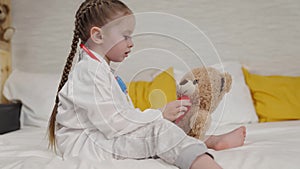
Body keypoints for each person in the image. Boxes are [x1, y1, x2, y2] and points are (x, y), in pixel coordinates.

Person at [48, 0, 245, 169]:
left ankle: (209, 140)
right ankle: (205, 162)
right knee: (158, 130)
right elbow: (113, 124)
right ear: (98, 36)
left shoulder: (98, 69)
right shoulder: (89, 71)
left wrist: (156, 117)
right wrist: (159, 113)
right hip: (88, 145)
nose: (131, 43)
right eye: (125, 36)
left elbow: (119, 117)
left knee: (160, 126)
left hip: (99, 136)